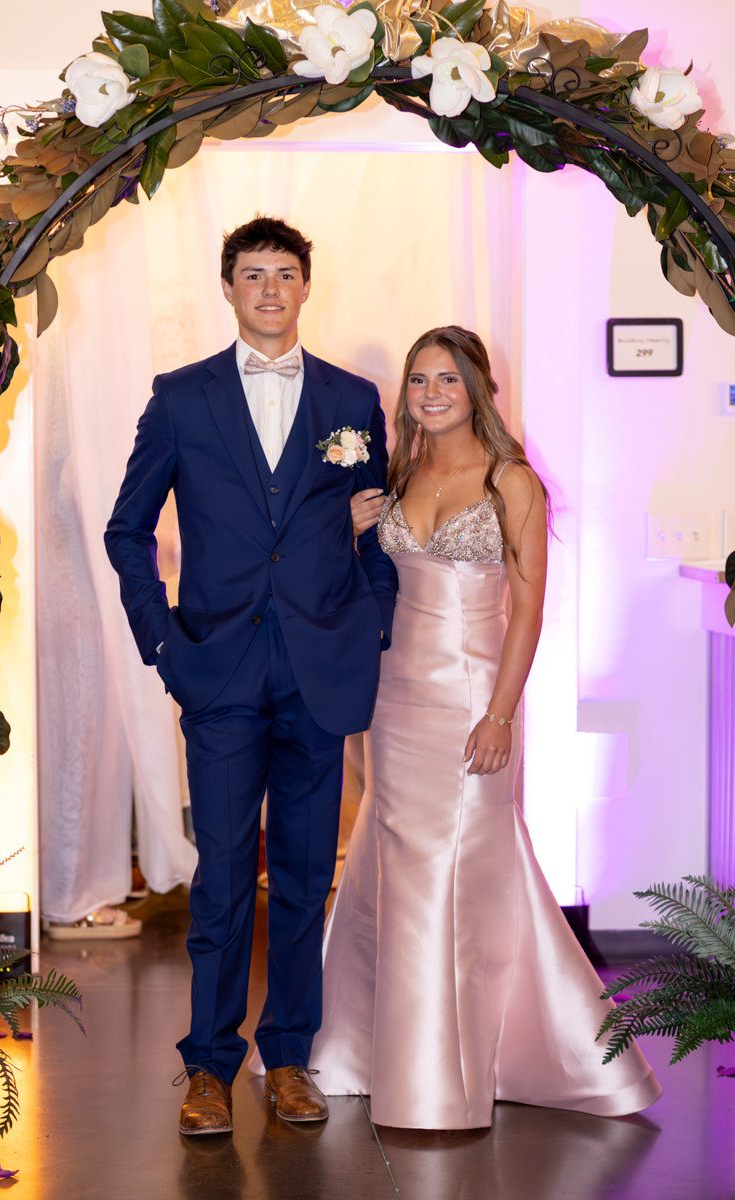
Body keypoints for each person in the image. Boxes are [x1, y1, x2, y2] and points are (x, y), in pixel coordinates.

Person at [309, 326, 661, 1129]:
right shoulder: (393, 477)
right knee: (397, 869)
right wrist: (352, 529)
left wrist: (502, 712)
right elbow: (360, 586)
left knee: (460, 875)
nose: (431, 393)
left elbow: (529, 611)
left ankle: (449, 1075)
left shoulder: (513, 483)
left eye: (447, 380)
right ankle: (366, 1053)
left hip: (477, 703)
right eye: (419, 380)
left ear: (477, 390)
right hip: (395, 703)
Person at [105, 216, 397, 1134]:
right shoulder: (181, 398)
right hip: (220, 673)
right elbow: (128, 529)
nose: (269, 290)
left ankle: (290, 1059)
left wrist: (371, 622)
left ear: (306, 286)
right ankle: (207, 1067)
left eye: (285, 274)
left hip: (319, 675)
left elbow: (375, 524)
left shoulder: (353, 399)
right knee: (227, 876)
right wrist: (163, 638)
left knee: (307, 876)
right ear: (228, 289)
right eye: (252, 275)